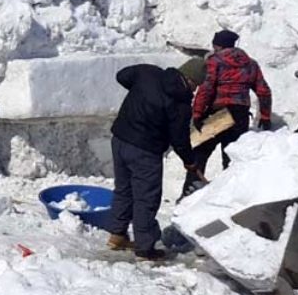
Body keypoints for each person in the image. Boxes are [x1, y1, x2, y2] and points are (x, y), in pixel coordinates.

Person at [105, 59, 206, 260]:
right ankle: (145, 247)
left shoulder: (147, 73)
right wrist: (190, 161)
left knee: (123, 189)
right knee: (146, 197)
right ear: (190, 79)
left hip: (120, 140)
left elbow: (122, 76)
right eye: (196, 84)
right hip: (145, 151)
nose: (195, 90)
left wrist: (138, 91)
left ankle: (117, 235)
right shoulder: (180, 103)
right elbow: (179, 138)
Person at [187, 30, 273, 191]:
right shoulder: (250, 63)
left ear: (217, 45)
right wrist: (266, 116)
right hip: (240, 116)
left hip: (218, 114)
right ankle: (230, 194)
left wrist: (197, 113)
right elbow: (263, 91)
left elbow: (206, 89)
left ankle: (190, 191)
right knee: (233, 158)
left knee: (200, 153)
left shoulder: (215, 61)